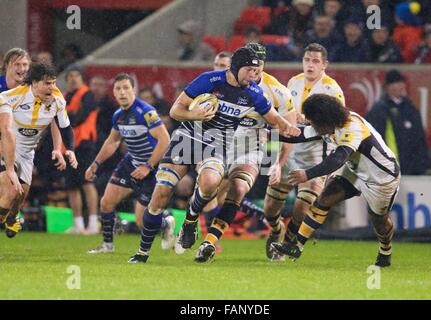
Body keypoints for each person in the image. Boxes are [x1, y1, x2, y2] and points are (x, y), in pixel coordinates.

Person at [128, 47, 300, 263]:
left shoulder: (254, 92)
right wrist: (194, 114)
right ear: (236, 68)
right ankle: (142, 253)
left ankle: (190, 221)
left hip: (216, 145)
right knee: (161, 193)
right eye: (250, 70)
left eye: (257, 71)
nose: (254, 76)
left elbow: (274, 118)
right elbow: (175, 111)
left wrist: (288, 127)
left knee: (210, 183)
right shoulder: (209, 81)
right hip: (187, 139)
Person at [194, 43, 296, 262]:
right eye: (251, 63)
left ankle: (209, 243)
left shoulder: (278, 92)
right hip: (220, 141)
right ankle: (192, 225)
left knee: (238, 188)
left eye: (259, 63)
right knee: (210, 188)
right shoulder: (221, 83)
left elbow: (288, 132)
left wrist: (278, 163)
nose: (255, 68)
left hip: (251, 146)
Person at [272, 94, 401, 268]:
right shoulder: (329, 124)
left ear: (323, 119)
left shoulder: (352, 127)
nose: (311, 124)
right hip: (355, 170)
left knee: (379, 220)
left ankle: (385, 250)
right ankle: (296, 246)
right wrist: (267, 132)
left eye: (312, 121)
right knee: (324, 199)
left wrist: (307, 174)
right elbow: (299, 135)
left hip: (381, 178)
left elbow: (338, 158)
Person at [263, 43, 345, 261]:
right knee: (270, 208)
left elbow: (337, 124)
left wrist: (310, 120)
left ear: (324, 64)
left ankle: (287, 244)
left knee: (302, 206)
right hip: (289, 151)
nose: (310, 64)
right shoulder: (294, 82)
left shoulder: (332, 90)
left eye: (315, 61)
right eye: (307, 60)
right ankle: (275, 230)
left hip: (314, 156)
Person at [85, 73, 174, 254]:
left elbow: (165, 140)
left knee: (142, 222)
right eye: (118, 89)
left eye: (126, 88)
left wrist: (147, 166)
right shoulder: (118, 115)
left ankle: (166, 223)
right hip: (131, 163)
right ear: (114, 93)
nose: (122, 92)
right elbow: (113, 142)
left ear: (134, 90)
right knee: (106, 202)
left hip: (153, 167)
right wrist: (96, 163)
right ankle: (107, 245)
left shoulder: (146, 112)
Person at [0, 63, 77, 236]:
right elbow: (5, 129)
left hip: (28, 152)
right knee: (12, 190)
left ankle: (12, 218)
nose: (52, 87)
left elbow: (64, 126)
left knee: (21, 195)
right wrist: (10, 168)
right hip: (6, 147)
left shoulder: (58, 100)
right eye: (47, 83)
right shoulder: (11, 97)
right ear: (34, 83)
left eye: (54, 83)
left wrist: (68, 149)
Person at [365, 70, 428, 175]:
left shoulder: (411, 109)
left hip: (411, 169)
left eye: (401, 83)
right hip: (387, 170)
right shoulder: (379, 110)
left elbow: (420, 139)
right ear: (388, 87)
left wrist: (421, 165)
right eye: (397, 83)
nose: (401, 86)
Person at [64, 66, 99, 235]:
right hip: (70, 146)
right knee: (72, 185)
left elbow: (79, 117)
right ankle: (78, 224)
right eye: (70, 76)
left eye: (76, 75)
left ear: (82, 78)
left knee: (87, 183)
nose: (73, 79)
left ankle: (92, 224)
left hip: (85, 144)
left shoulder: (88, 94)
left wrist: (68, 119)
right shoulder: (66, 96)